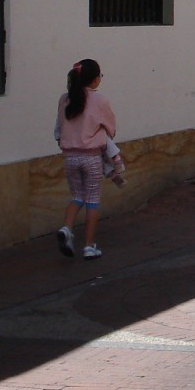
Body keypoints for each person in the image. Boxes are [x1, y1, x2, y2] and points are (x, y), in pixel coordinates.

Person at [54, 58, 121, 260]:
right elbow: (111, 128)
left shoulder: (64, 99)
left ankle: (67, 228)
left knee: (76, 196)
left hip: (69, 157)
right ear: (94, 80)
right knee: (92, 200)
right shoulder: (99, 100)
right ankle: (89, 246)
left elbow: (58, 128)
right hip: (91, 157)